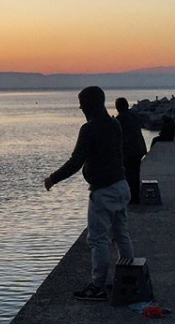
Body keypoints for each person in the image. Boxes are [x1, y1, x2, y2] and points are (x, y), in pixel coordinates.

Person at [44, 86, 133, 301]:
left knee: (98, 240)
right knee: (121, 234)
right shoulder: (115, 124)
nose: (80, 107)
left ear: (91, 104)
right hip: (121, 186)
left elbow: (76, 161)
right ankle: (129, 278)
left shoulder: (89, 129)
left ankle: (98, 287)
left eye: (82, 102)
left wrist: (53, 178)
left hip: (104, 191)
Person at [115, 97, 147, 204]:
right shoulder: (133, 115)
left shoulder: (120, 119)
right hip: (139, 148)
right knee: (135, 173)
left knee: (129, 174)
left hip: (130, 151)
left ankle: (132, 198)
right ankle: (135, 196)